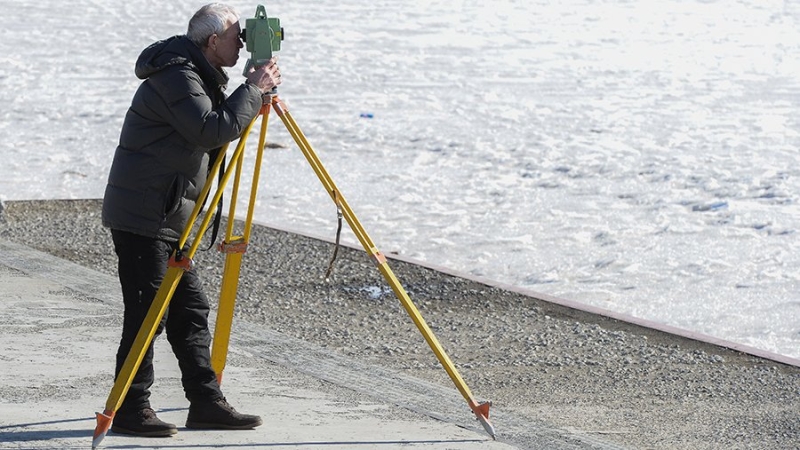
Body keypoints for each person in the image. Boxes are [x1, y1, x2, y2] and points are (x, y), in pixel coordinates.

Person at [101, 3, 281, 437]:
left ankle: (205, 403)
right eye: (237, 35)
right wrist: (253, 89)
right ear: (211, 41)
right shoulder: (177, 76)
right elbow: (211, 130)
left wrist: (253, 91)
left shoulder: (199, 74)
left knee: (190, 310)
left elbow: (216, 130)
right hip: (146, 214)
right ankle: (129, 409)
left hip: (169, 214)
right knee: (148, 315)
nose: (242, 42)